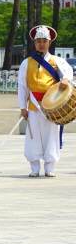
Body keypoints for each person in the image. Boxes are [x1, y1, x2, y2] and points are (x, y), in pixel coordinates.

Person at [18, 25, 73, 177]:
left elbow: (68, 71)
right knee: (33, 136)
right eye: (38, 41)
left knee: (51, 136)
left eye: (44, 41)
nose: (41, 44)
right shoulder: (26, 63)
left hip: (52, 105)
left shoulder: (57, 61)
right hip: (34, 105)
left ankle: (49, 168)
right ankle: (35, 168)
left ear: (49, 43)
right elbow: (22, 86)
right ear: (34, 43)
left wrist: (66, 80)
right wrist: (23, 107)